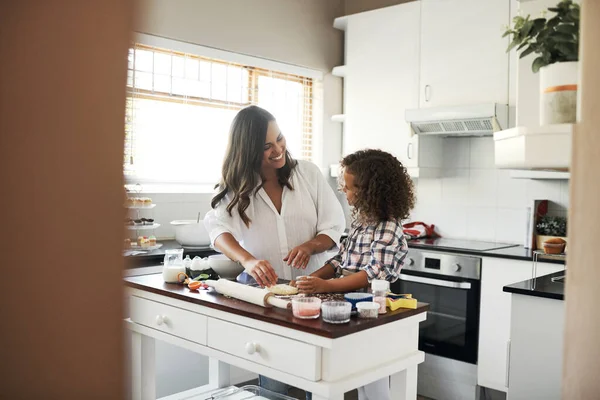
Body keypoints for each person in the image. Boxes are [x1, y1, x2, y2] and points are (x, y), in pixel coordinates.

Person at [204, 105, 346, 398]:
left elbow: (335, 226)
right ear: (247, 150)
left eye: (280, 139)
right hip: (268, 297)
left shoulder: (307, 174)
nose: (278, 149)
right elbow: (217, 230)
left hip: (315, 291)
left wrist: (310, 246)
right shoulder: (234, 187)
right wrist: (247, 259)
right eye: (267, 146)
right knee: (274, 383)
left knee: (318, 380)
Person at [296, 149, 415, 400]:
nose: (344, 191)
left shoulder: (388, 227)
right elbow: (341, 259)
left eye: (348, 188)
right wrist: (313, 279)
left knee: (372, 373)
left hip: (370, 306)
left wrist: (325, 287)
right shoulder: (362, 221)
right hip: (346, 304)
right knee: (347, 370)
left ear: (368, 191)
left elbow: (373, 274)